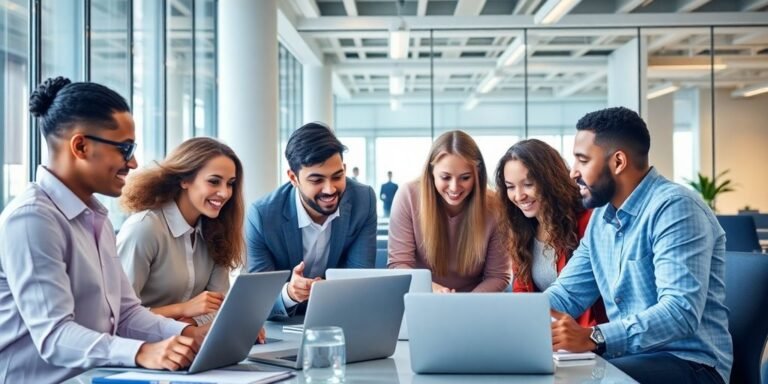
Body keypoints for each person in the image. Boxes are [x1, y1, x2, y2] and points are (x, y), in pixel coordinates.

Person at [0, 77, 208, 383]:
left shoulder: (95, 217)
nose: (134, 162)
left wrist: (189, 335)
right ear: (81, 146)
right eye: (125, 148)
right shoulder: (32, 219)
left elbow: (126, 314)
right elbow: (54, 336)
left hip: (96, 376)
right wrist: (141, 352)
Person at [546, 107, 732, 384]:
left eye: (582, 160)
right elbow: (566, 295)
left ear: (618, 161)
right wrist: (506, 317)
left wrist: (595, 336)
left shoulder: (676, 208)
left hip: (691, 365)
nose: (573, 173)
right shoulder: (602, 219)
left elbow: (679, 312)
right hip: (630, 358)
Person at [246, 122, 377, 320]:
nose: (330, 189)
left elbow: (359, 281)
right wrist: (289, 293)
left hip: (340, 319)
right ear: (293, 178)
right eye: (316, 180)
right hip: (281, 326)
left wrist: (329, 292)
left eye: (337, 176)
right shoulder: (263, 216)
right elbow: (258, 300)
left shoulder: (363, 200)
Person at [117, 138, 246, 327]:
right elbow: (117, 315)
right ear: (185, 179)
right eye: (214, 181)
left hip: (186, 344)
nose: (225, 193)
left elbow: (218, 306)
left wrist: (192, 321)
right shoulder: (144, 229)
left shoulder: (216, 230)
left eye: (230, 183)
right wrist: (182, 310)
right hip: (140, 349)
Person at [495, 139, 606, 326]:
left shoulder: (588, 220)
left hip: (586, 338)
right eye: (511, 187)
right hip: (546, 334)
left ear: (550, 180)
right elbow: (522, 293)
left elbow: (584, 294)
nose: (519, 195)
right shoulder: (521, 230)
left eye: (528, 184)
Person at [388, 130, 510, 292]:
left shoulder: (495, 206)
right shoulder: (408, 196)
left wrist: (463, 304)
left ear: (477, 175)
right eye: (445, 177)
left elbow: (498, 275)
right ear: (431, 173)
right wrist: (436, 291)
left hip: (476, 303)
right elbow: (399, 265)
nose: (454, 187)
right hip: (423, 297)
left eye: (465, 178)